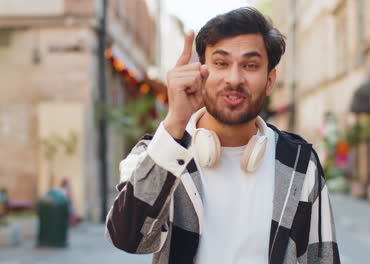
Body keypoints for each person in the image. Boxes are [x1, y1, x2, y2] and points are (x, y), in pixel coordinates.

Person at [105, 7, 340, 264]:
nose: (234, 78)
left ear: (270, 80)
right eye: (221, 63)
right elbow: (127, 239)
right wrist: (175, 123)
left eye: (250, 65)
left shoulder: (299, 162)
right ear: (201, 72)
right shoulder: (157, 154)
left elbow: (322, 258)